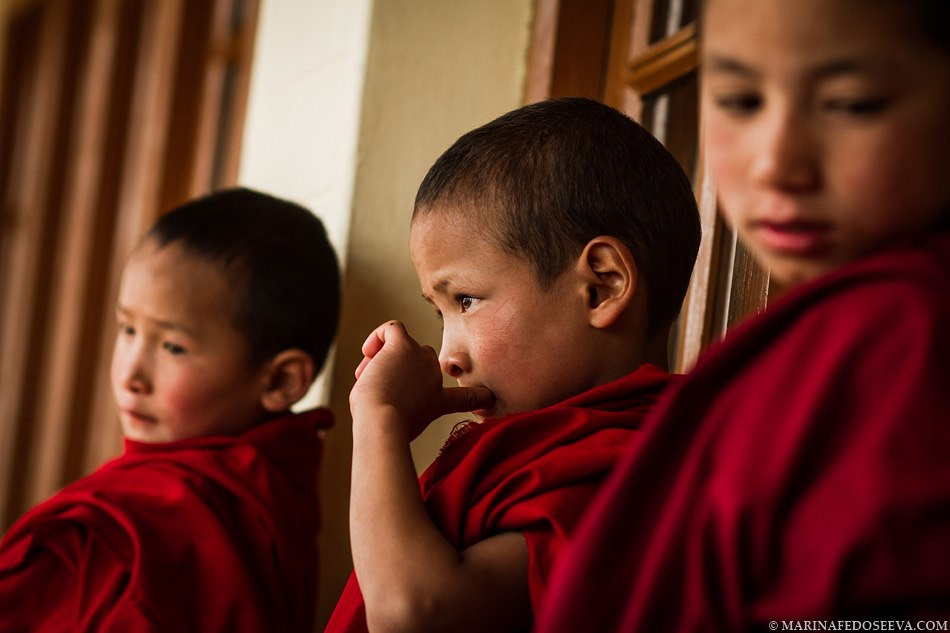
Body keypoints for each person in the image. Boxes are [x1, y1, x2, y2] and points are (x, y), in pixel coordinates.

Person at [536, 1, 950, 630]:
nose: (776, 164)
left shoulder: (905, 334)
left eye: (853, 104)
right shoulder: (827, 334)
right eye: (739, 100)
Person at [325, 97, 701, 632]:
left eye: (467, 301)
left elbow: (417, 613)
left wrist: (378, 417)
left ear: (601, 287)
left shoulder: (633, 467)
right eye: (440, 314)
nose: (449, 357)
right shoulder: (533, 447)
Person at [0, 188, 341, 632]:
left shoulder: (132, 532)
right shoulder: (280, 481)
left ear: (279, 380)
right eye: (127, 329)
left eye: (172, 346)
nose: (130, 374)